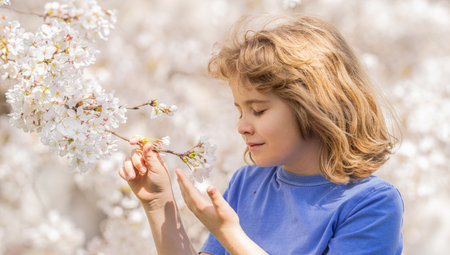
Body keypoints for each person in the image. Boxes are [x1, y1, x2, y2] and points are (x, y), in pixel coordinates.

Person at [119, 15, 404, 255]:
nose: (242, 126)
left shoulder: (370, 203)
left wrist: (230, 233)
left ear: (314, 107)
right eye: (239, 111)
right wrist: (158, 204)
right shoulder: (247, 183)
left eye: (258, 110)